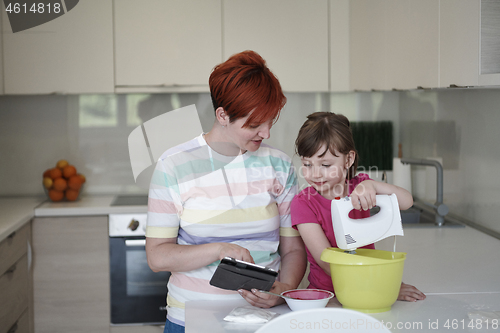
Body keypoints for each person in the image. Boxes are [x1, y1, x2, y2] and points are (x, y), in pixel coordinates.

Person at [145, 50, 307, 332]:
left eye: (271, 120)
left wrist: (284, 288)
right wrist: (220, 250)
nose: (266, 133)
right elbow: (158, 257)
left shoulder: (279, 165)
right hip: (191, 321)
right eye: (255, 124)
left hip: (264, 322)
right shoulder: (174, 165)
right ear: (222, 115)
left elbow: (293, 248)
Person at [290, 111, 426, 302]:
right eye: (307, 164)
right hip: (328, 297)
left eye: (325, 165)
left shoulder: (361, 187)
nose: (315, 174)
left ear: (348, 159)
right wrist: (383, 285)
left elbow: (406, 201)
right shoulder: (303, 203)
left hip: (369, 289)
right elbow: (326, 261)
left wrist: (373, 185)